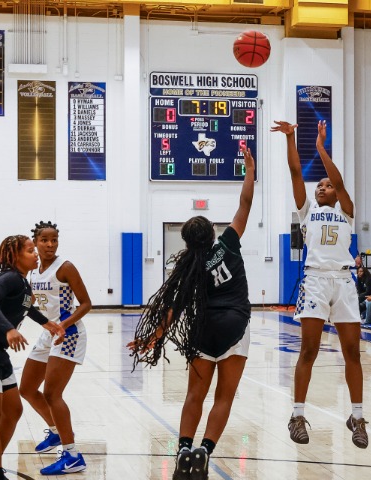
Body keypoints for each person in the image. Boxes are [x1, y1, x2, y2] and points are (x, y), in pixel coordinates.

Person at [128, 146, 255, 480]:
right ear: (213, 232)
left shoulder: (187, 268)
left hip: (203, 330)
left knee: (194, 396)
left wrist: (152, 338)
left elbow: (171, 308)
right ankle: (205, 451)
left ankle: (184, 449)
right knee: (224, 397)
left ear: (186, 242)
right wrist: (249, 171)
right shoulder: (228, 243)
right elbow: (244, 204)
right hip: (235, 326)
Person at [271, 120, 368, 449]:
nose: (322, 187)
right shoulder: (307, 211)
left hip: (343, 281)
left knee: (352, 351)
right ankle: (297, 415)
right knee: (309, 350)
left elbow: (339, 181)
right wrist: (291, 137)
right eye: (319, 186)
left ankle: (357, 417)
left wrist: (321, 149)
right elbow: (295, 172)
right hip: (315, 280)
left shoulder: (347, 212)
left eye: (327, 185)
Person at [0, 235, 65, 480]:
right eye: (30, 250)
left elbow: (26, 307)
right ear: (15, 256)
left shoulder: (22, 282)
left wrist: (47, 323)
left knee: (14, 410)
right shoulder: (9, 278)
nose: (35, 254)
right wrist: (9, 328)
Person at [18, 222, 92, 476]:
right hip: (49, 333)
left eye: (54, 240)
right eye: (45, 240)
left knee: (52, 394)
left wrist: (63, 325)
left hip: (69, 334)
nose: (50, 245)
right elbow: (28, 303)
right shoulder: (34, 271)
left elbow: (86, 304)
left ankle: (72, 456)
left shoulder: (65, 267)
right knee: (27, 388)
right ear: (36, 242)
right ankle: (55, 431)